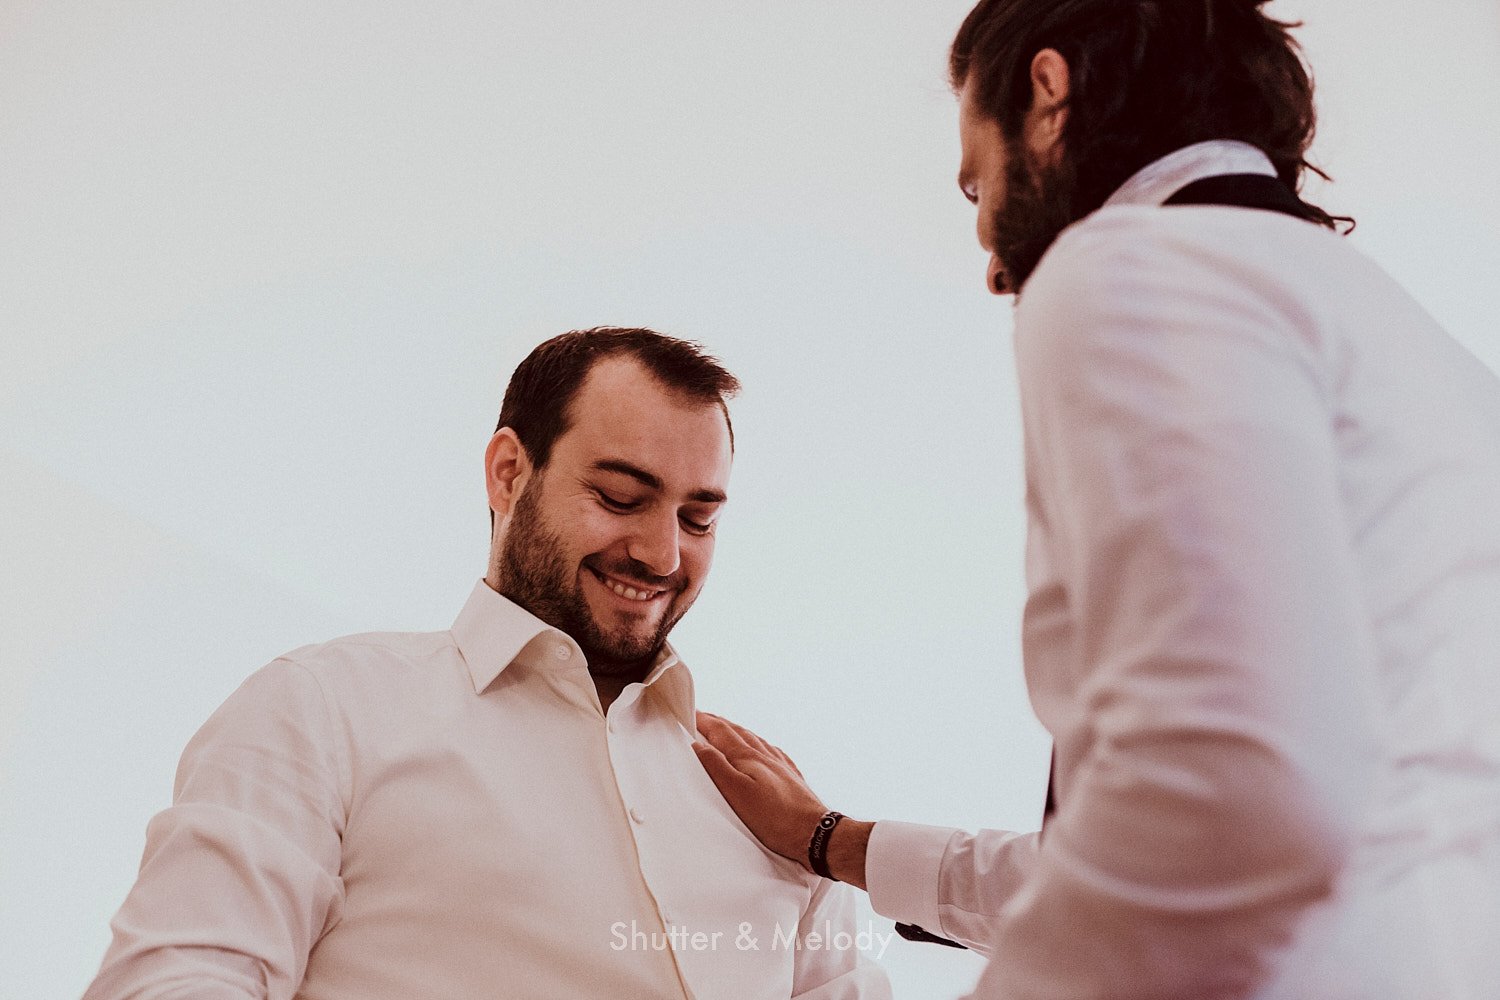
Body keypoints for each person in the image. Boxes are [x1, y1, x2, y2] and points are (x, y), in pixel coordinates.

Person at [692, 2, 1500, 998]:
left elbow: (1224, 796)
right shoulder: (1429, 358)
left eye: (977, 184)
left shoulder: (1133, 266)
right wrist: (835, 841)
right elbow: (1252, 811)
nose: (992, 257)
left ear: (1048, 93)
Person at [85, 327, 891, 1000]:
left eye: (698, 519)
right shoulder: (323, 710)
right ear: (509, 473)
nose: (662, 553)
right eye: (619, 498)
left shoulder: (778, 810)